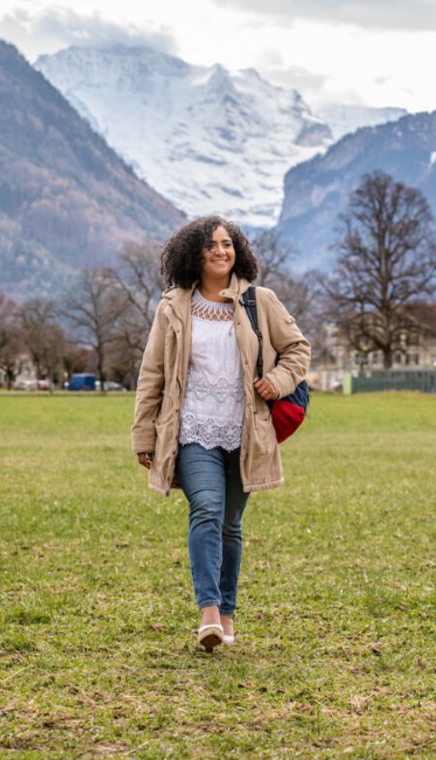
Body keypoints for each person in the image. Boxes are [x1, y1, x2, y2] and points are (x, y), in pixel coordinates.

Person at [131, 216, 311, 652]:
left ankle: (227, 614)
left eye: (227, 244)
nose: (219, 251)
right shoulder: (173, 306)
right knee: (207, 510)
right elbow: (152, 372)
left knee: (230, 524)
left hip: (246, 430)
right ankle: (208, 613)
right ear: (194, 253)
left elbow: (298, 349)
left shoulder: (258, 301)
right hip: (191, 428)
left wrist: (279, 383)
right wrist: (143, 434)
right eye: (210, 245)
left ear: (238, 251)